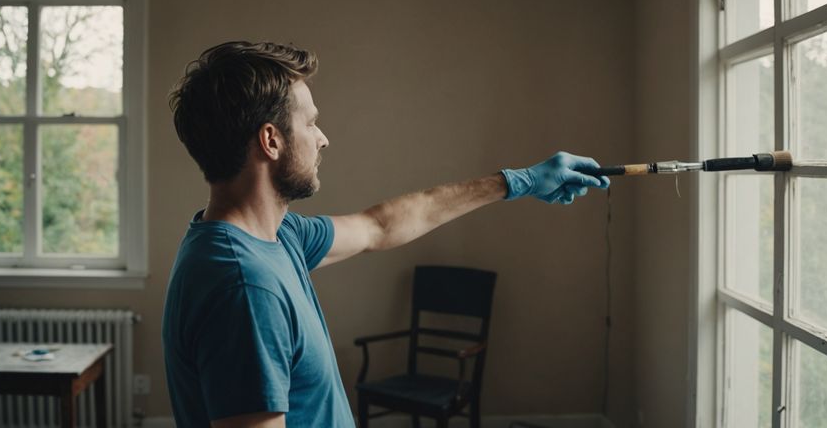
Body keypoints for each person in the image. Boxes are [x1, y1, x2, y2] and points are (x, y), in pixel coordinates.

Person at [161, 41, 610, 428]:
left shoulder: (278, 236)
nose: (323, 139)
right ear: (271, 140)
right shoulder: (245, 286)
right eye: (311, 122)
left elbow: (380, 226)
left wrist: (519, 181)